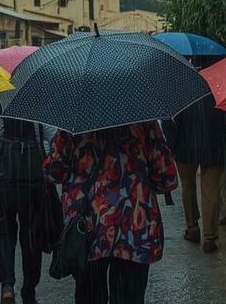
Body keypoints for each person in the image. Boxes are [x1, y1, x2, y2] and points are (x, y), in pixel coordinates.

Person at [44, 121, 178, 304]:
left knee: (90, 296)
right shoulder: (145, 123)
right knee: (129, 297)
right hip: (134, 228)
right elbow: (167, 179)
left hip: (88, 229)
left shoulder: (72, 124)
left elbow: (54, 173)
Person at [0, 101, 58, 304]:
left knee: (3, 233)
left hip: (1, 181)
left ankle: (7, 287)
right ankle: (29, 289)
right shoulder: (40, 109)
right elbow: (56, 139)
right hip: (33, 183)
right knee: (31, 235)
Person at [166, 93, 226, 253]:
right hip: (213, 147)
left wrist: (170, 147)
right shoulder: (219, 90)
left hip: (184, 145)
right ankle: (209, 237)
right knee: (211, 189)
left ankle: (192, 228)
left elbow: (170, 122)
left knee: (187, 187)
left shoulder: (181, 90)